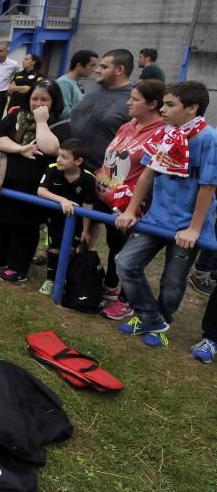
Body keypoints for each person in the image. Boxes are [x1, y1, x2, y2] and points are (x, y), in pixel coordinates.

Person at [114, 82, 217, 343]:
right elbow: (148, 173)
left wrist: (194, 228)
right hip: (156, 219)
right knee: (125, 263)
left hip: (186, 226)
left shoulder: (208, 139)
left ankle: (162, 318)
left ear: (192, 108)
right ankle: (152, 319)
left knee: (172, 281)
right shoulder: (166, 133)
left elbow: (208, 187)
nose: (163, 109)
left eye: (170, 105)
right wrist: (130, 209)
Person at [0, 80, 71, 282]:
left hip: (33, 187)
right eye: (34, 98)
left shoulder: (61, 125)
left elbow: (51, 149)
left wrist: (41, 122)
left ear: (55, 102)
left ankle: (18, 266)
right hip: (4, 182)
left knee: (23, 228)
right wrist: (21, 149)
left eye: (44, 99)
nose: (38, 103)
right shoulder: (16, 116)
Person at [94, 80, 166, 318]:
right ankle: (112, 285)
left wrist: (132, 205)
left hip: (132, 207)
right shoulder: (127, 125)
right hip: (107, 198)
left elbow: (152, 174)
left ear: (153, 104)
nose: (128, 102)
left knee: (129, 253)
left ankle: (128, 299)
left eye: (135, 99)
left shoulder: (162, 133)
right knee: (114, 246)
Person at [36, 139, 97, 296]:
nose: (58, 160)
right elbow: (41, 191)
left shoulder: (89, 179)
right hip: (54, 219)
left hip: (75, 223)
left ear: (78, 161)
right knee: (54, 250)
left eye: (64, 157)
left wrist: (85, 229)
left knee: (70, 250)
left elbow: (87, 205)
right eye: (58, 155)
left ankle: (64, 280)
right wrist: (63, 200)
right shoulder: (52, 169)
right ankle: (50, 280)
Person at [70, 49, 136, 175]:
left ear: (119, 70)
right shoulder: (97, 87)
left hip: (99, 174)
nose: (97, 70)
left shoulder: (133, 98)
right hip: (70, 166)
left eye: (104, 67)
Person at [56, 50, 99, 118]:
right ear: (79, 65)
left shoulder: (77, 82)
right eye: (91, 65)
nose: (94, 70)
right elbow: (63, 112)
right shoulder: (64, 83)